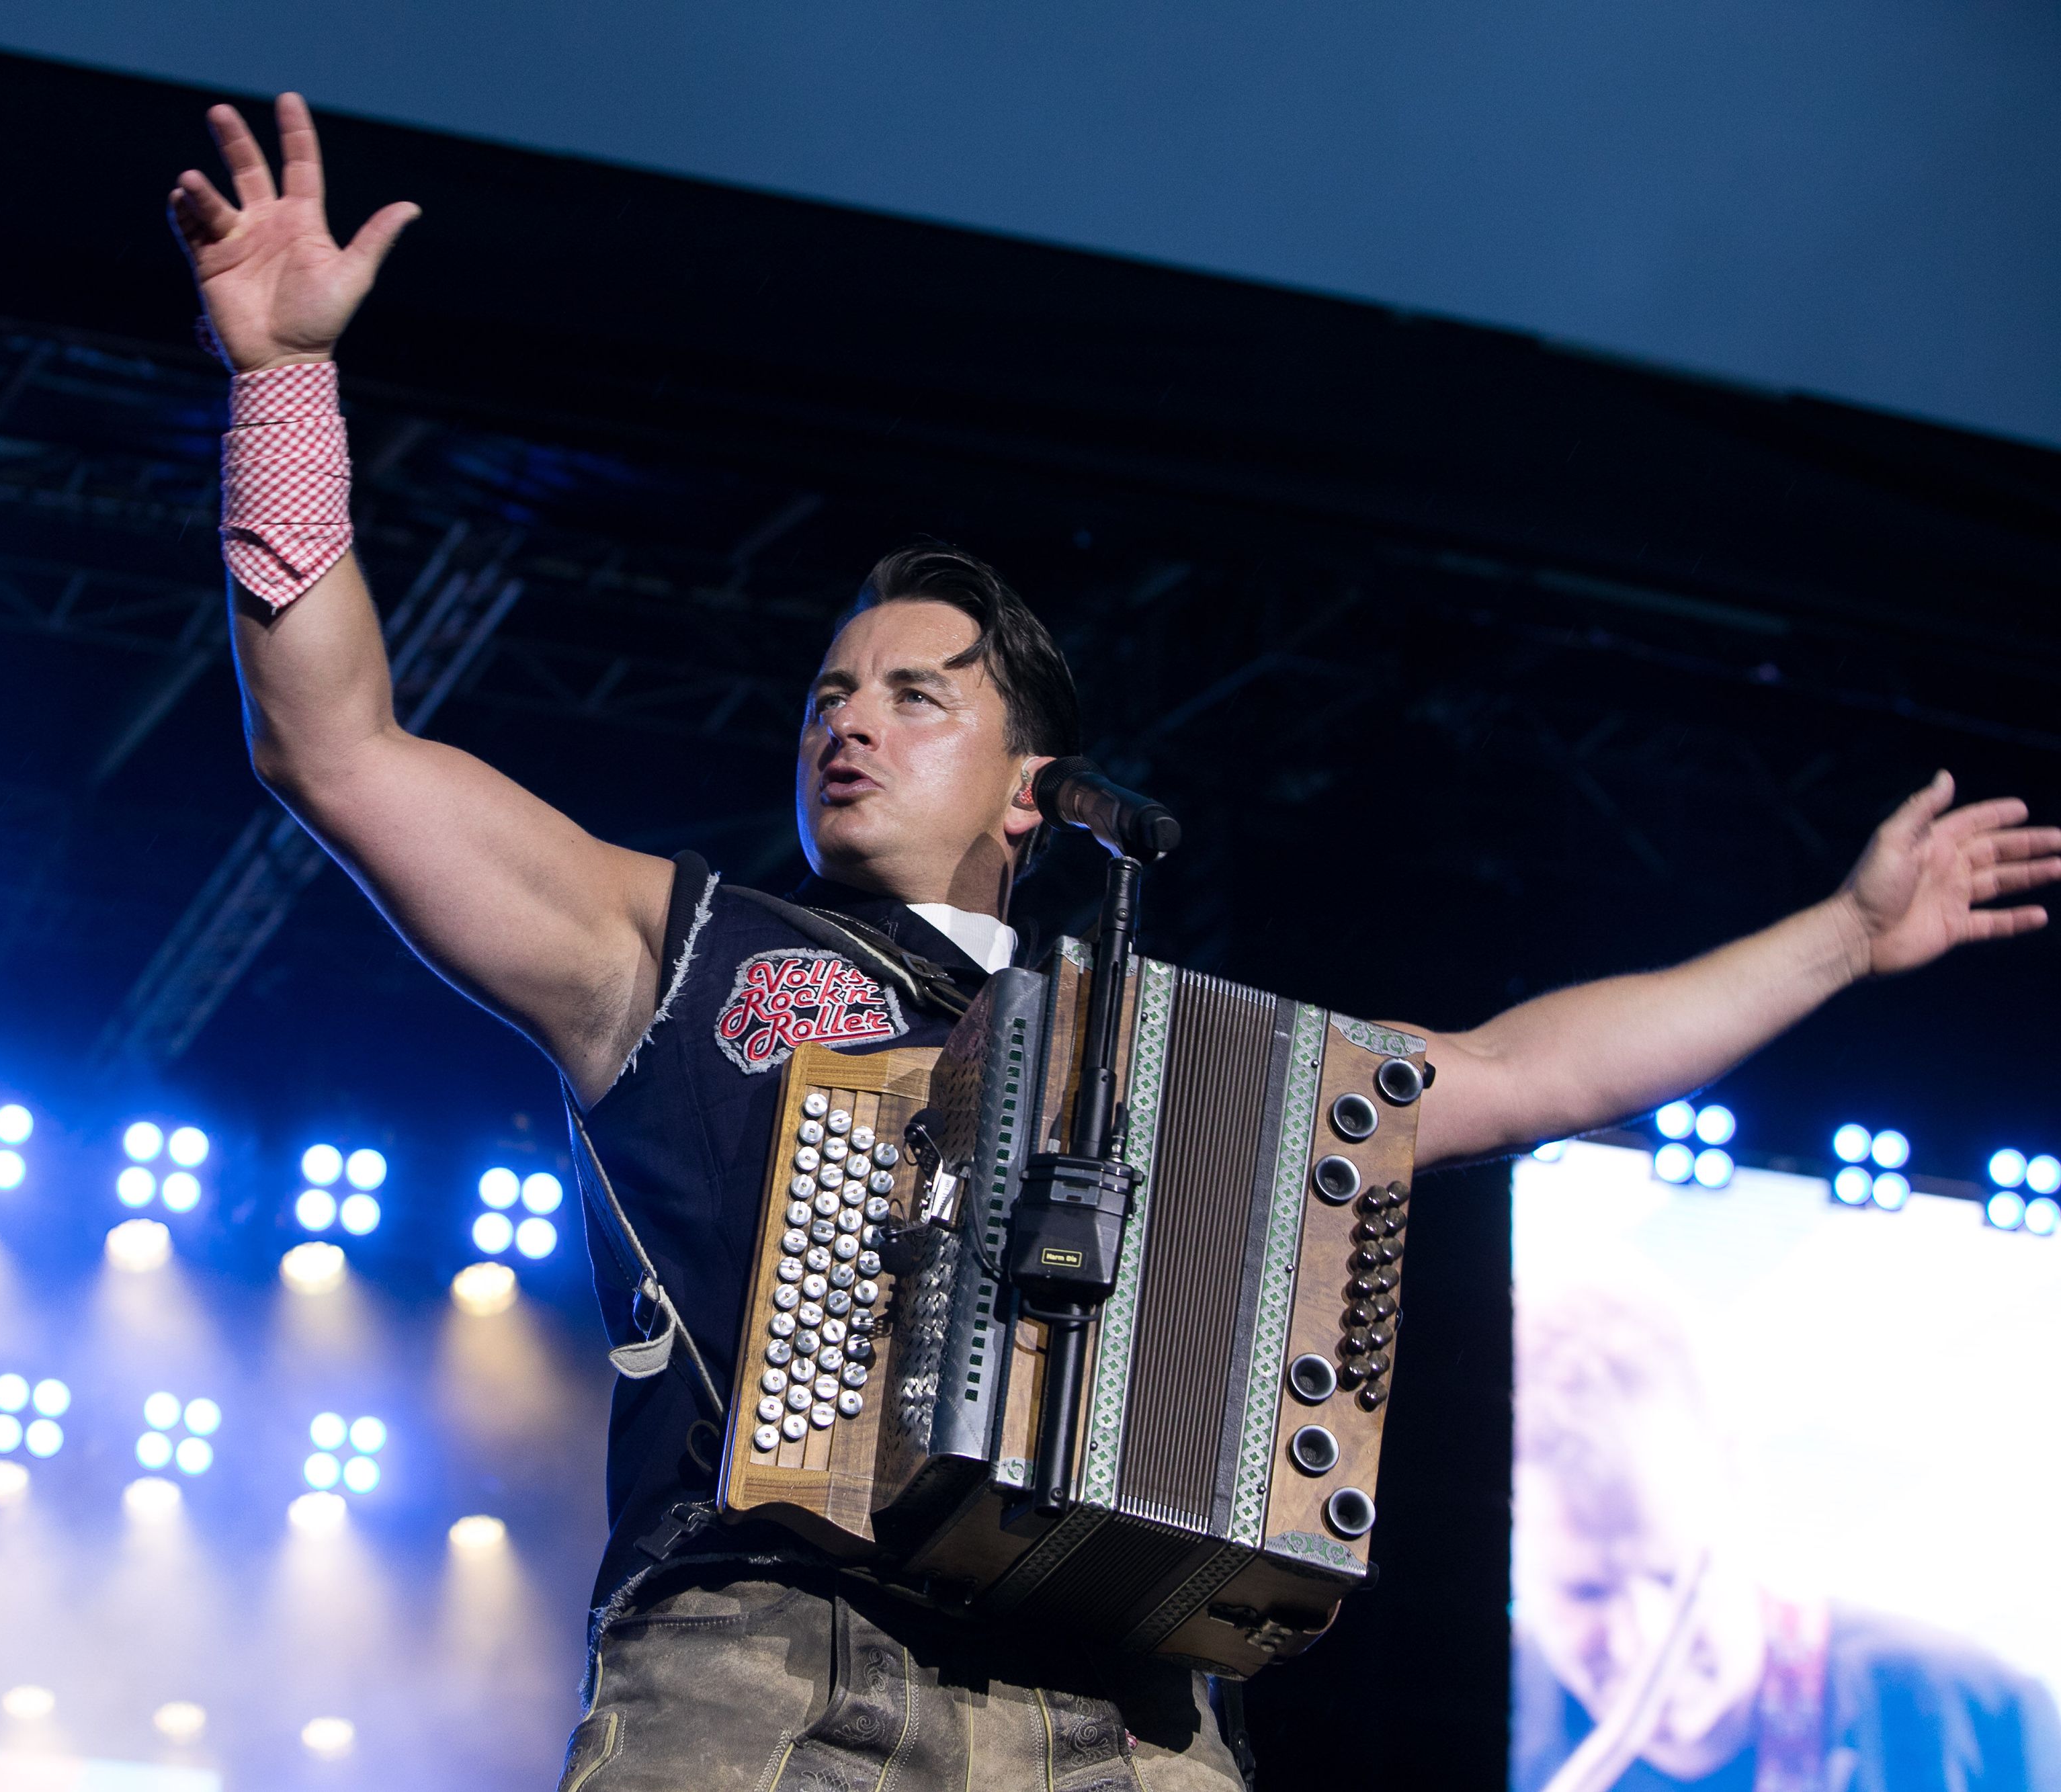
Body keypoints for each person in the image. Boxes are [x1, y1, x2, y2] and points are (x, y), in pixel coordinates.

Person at [165, 95, 2061, 1790]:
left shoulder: (1155, 1048)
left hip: (1125, 1699)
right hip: (765, 1658)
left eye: (918, 691)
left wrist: (1836, 934)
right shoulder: (670, 942)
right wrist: (281, 385)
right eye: (829, 688)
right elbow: (336, 747)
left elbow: (1520, 1071)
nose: (849, 716)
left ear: (1028, 786)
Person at [1513, 1284, 2061, 1792]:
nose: (1646, 1641)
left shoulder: (1989, 1720)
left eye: (1672, 1575)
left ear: (1742, 1482)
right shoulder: (1463, 1721)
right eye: (1584, 1591)